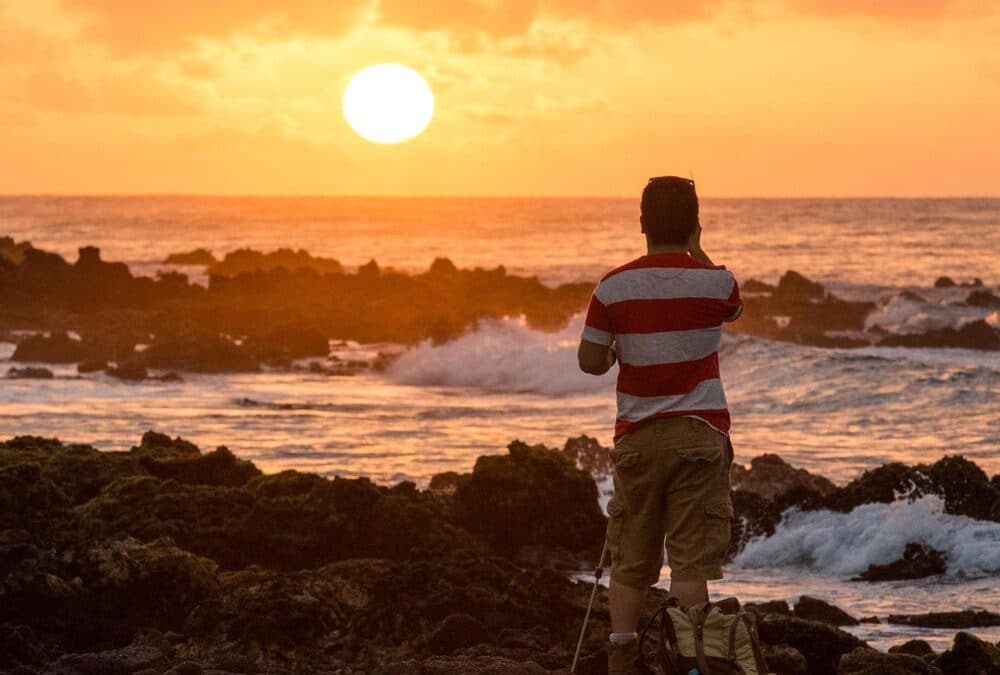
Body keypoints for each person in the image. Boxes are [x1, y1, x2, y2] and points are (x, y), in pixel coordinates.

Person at [577, 176, 743, 675]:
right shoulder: (717, 282)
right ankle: (691, 663)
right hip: (700, 434)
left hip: (639, 437)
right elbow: (733, 308)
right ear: (694, 223)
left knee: (630, 558)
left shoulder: (613, 286)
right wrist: (699, 250)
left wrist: (616, 353)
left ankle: (622, 657)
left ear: (642, 223)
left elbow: (590, 360)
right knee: (691, 564)